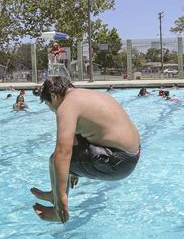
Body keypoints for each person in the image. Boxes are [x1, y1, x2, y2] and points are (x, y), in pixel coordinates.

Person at [30, 76, 141, 223]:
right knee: (63, 165)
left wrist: (62, 197)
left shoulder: (66, 107)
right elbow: (79, 136)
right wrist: (75, 170)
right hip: (131, 155)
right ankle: (53, 194)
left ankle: (57, 209)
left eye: (49, 105)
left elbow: (63, 152)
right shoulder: (86, 95)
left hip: (118, 163)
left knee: (54, 160)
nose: (52, 110)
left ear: (54, 96)